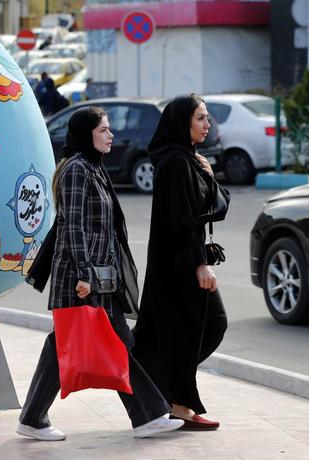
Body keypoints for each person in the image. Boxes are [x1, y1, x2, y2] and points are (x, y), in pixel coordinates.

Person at [17, 106, 184, 441]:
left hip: (97, 277)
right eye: (104, 130)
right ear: (86, 134)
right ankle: (147, 415)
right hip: (82, 279)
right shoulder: (77, 170)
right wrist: (83, 274)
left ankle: (34, 417)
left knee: (81, 345)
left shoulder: (92, 167)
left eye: (109, 129)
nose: (111, 135)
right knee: (108, 345)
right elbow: (73, 226)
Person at [132, 94, 228, 431]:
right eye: (200, 118)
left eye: (207, 117)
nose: (207, 124)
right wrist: (199, 263)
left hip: (181, 262)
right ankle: (174, 398)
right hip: (180, 265)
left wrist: (209, 175)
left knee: (191, 331)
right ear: (182, 123)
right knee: (207, 325)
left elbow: (212, 207)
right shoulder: (175, 163)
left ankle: (174, 397)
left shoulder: (187, 159)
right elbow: (182, 220)